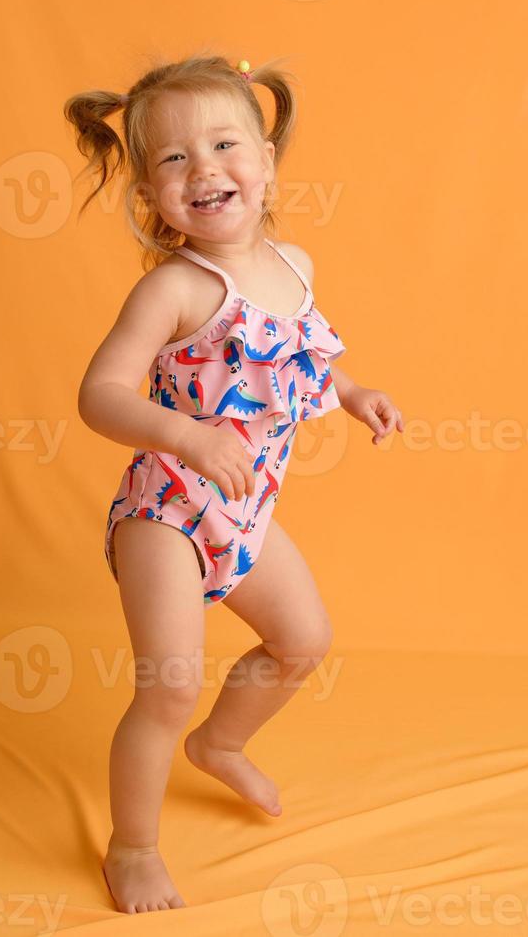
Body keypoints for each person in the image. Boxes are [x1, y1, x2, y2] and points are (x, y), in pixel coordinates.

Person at [64, 52, 404, 915]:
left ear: (267, 160)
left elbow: (296, 364)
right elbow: (99, 395)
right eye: (174, 159)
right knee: (169, 680)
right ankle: (133, 845)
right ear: (149, 193)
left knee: (303, 641)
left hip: (243, 510)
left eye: (223, 145)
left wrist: (353, 393)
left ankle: (219, 743)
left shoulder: (295, 267)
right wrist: (184, 433)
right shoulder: (177, 289)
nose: (204, 169)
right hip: (168, 510)